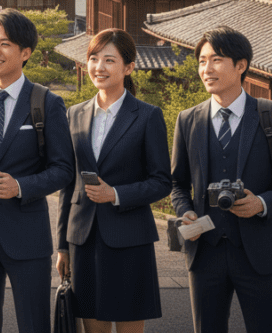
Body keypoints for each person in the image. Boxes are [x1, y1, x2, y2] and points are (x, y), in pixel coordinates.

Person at [172, 27, 272, 333]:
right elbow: (177, 182)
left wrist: (262, 202)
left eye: (216, 60)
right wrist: (185, 212)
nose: (206, 69)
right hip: (204, 251)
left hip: (258, 251)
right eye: (202, 61)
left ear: (241, 65)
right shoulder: (188, 120)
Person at [0, 9, 74, 333]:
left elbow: (64, 169)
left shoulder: (45, 102)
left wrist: (22, 186)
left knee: (34, 325)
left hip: (26, 234)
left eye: (4, 43)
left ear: (25, 53)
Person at [55, 29, 171, 333]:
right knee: (93, 327)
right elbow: (69, 185)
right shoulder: (74, 114)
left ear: (129, 67)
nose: (99, 67)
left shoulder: (147, 116)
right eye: (93, 59)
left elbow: (161, 182)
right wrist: (62, 247)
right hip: (83, 238)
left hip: (130, 239)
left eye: (109, 60)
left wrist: (115, 194)